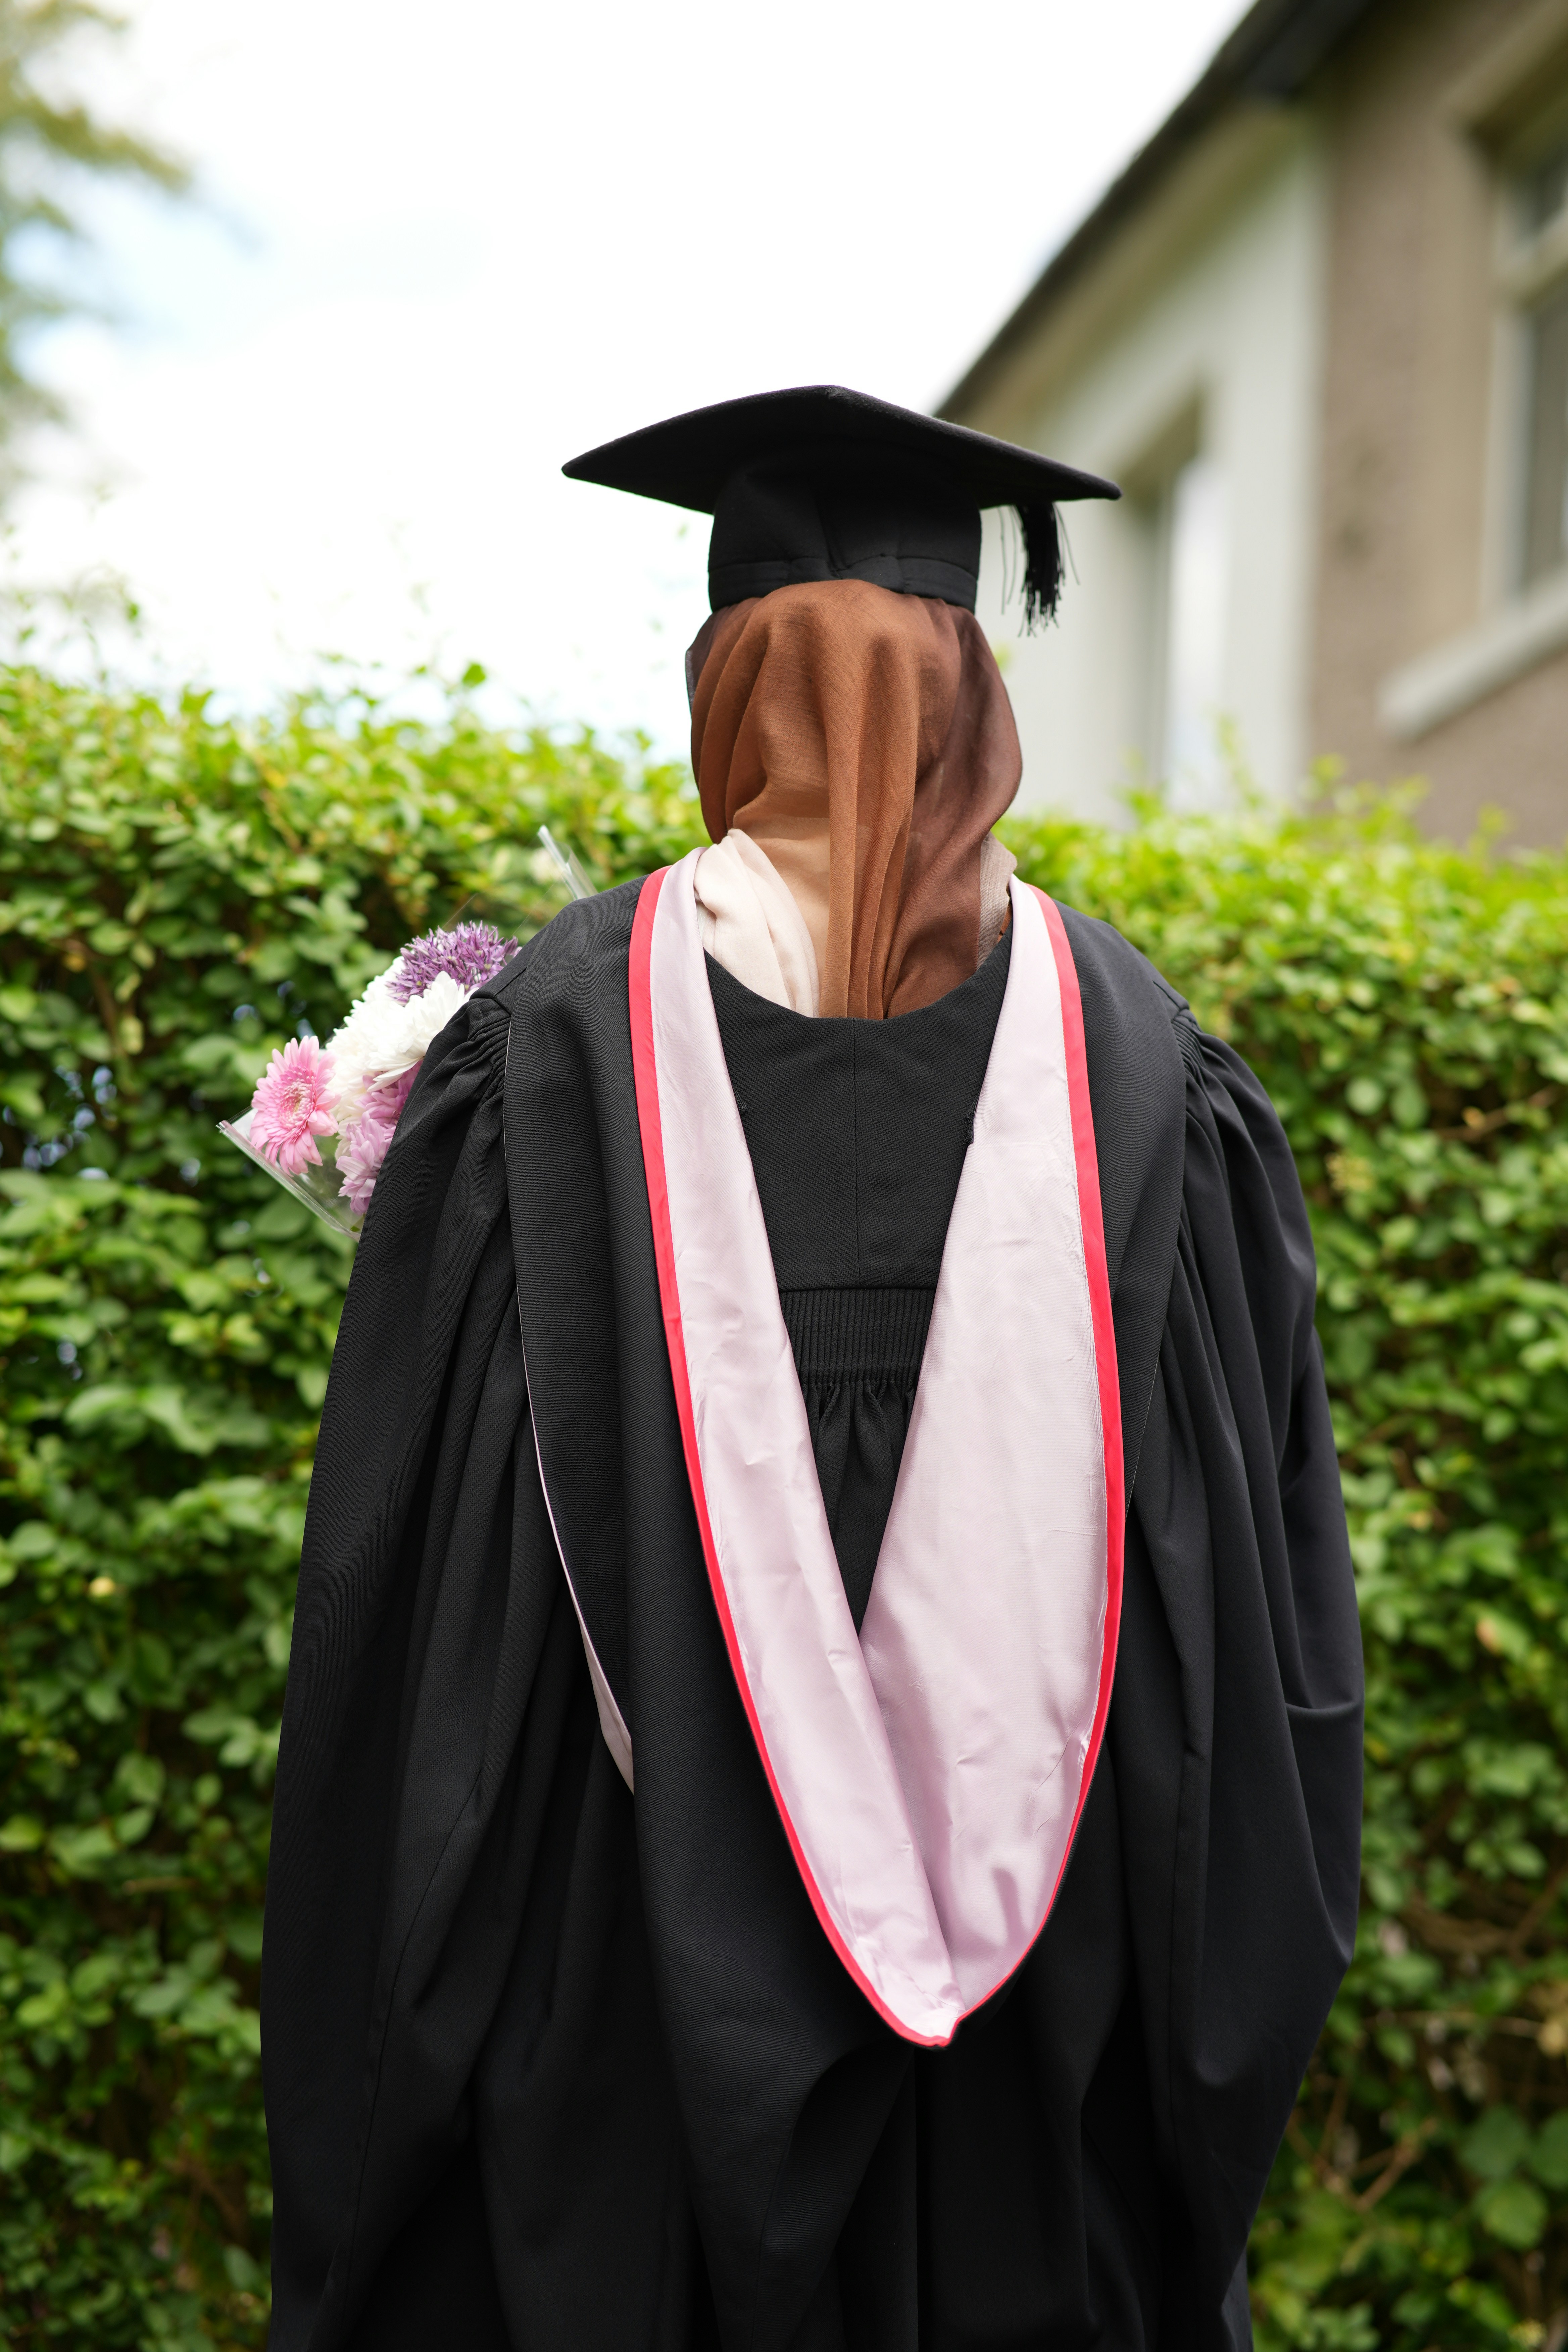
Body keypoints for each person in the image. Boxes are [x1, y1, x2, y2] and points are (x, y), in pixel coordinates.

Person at [261, 386, 1363, 2352]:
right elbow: (1259, 1647)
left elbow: (403, 1640)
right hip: (1034, 2031)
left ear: (726, 695)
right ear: (971, 703)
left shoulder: (540, 1067)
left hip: (614, 2007)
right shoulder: (1153, 1081)